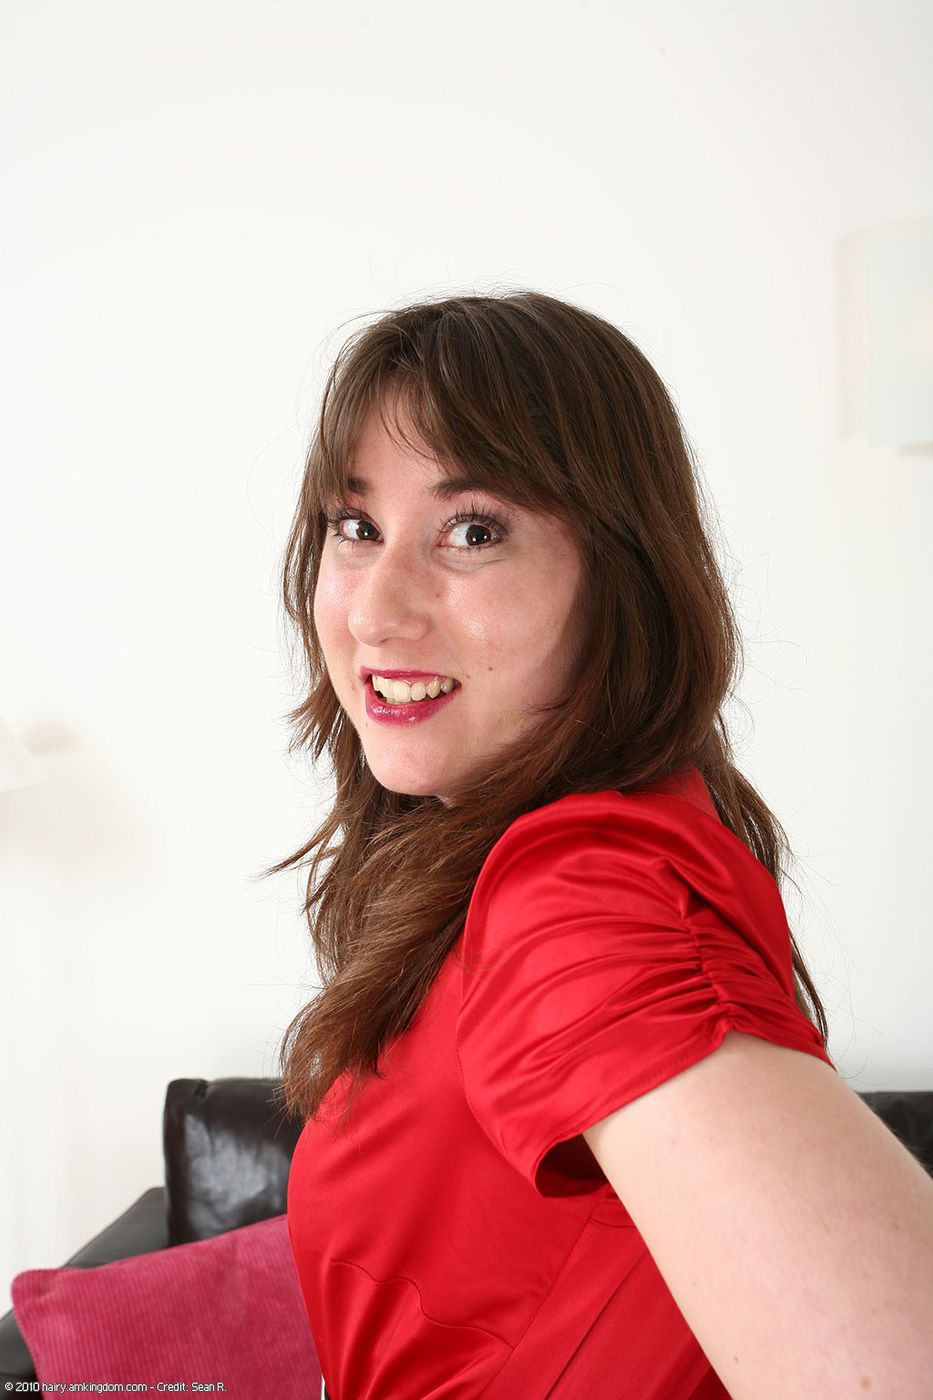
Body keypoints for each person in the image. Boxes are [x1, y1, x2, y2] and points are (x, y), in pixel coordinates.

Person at [270, 291, 933, 1399]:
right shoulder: (517, 857)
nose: (377, 611)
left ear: (619, 576)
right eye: (356, 526)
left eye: (472, 530)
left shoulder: (577, 891)